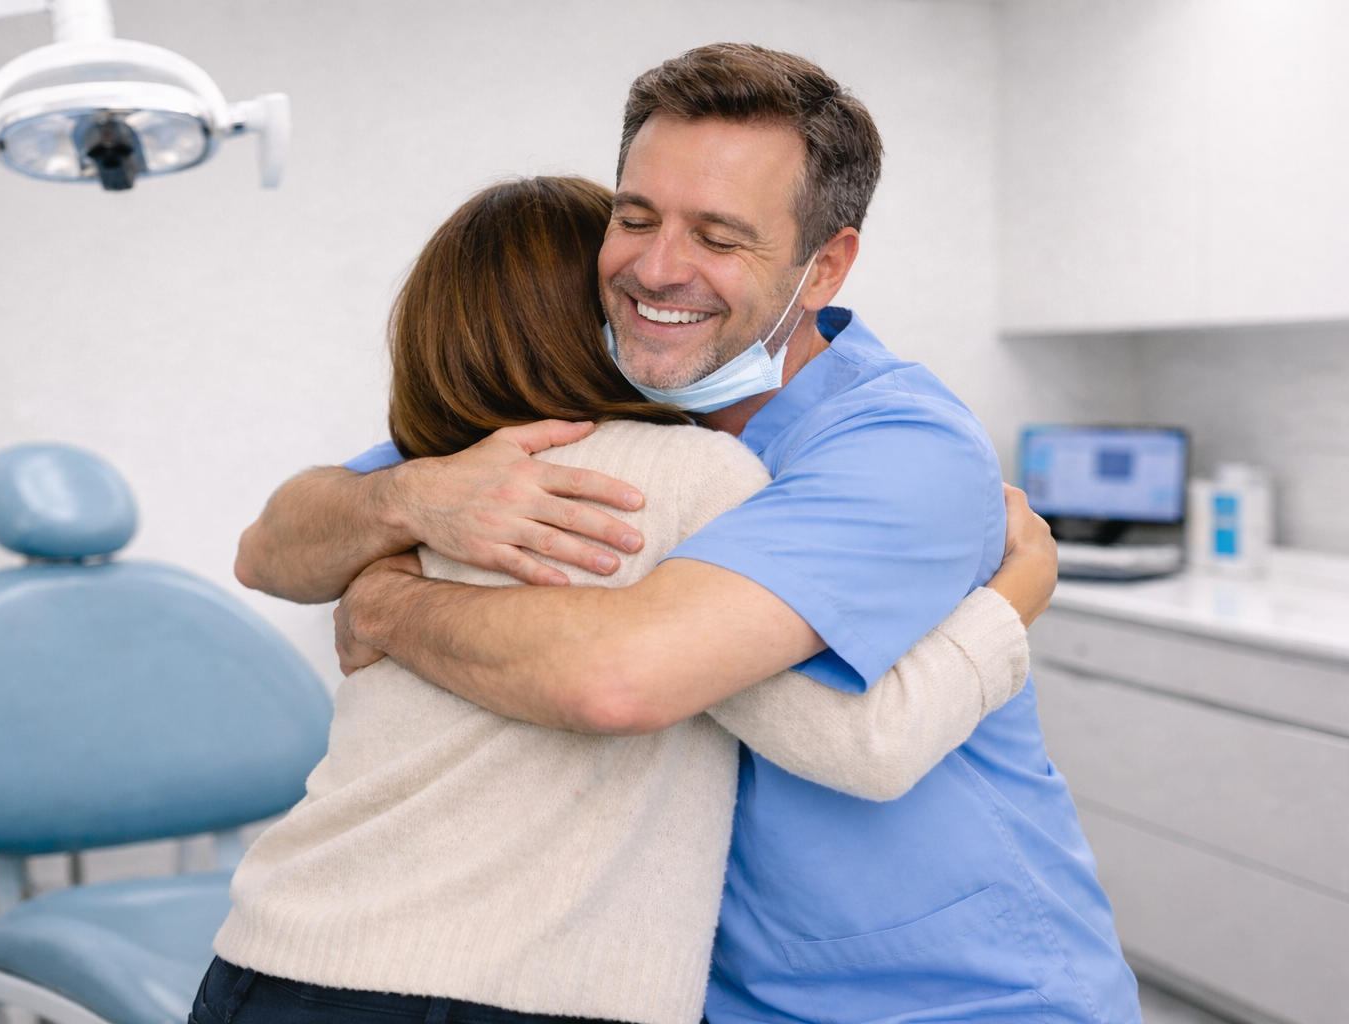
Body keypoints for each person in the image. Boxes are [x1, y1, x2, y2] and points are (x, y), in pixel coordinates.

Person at [240, 45, 1140, 1024]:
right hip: (704, 994)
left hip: (950, 995)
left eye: (719, 235)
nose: (656, 268)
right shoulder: (615, 407)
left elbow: (622, 678)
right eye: (635, 218)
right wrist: (401, 501)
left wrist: (387, 596)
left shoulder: (899, 449)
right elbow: (274, 547)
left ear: (824, 264)